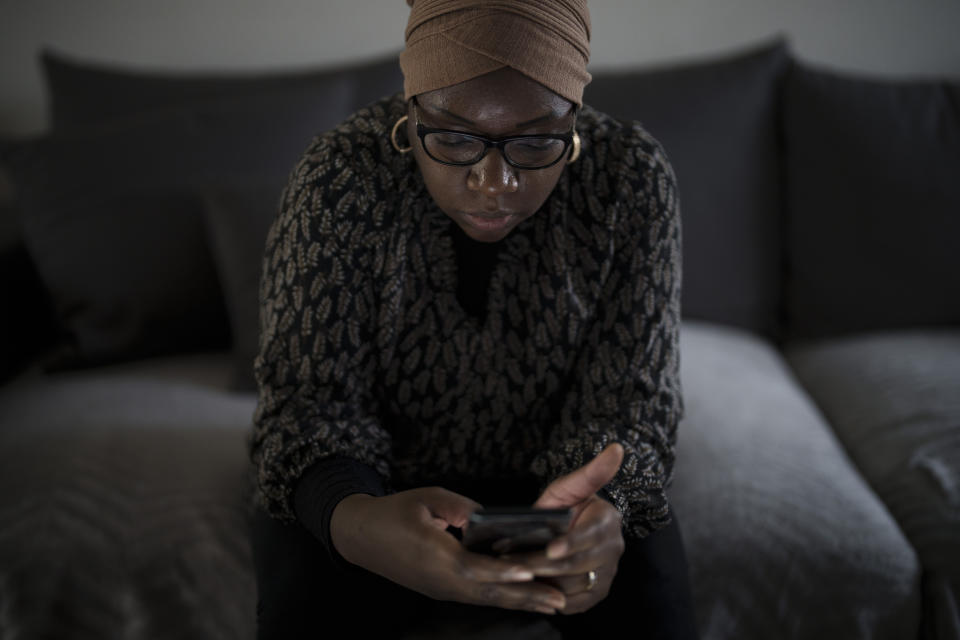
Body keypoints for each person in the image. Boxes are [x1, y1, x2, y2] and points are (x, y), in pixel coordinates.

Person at [248, 1, 699, 637]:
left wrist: (608, 503)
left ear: (574, 123)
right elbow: (308, 404)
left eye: (537, 140)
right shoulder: (339, 177)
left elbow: (633, 400)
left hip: (564, 494)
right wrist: (352, 518)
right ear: (410, 114)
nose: (494, 182)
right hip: (371, 489)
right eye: (454, 137)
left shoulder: (628, 179)